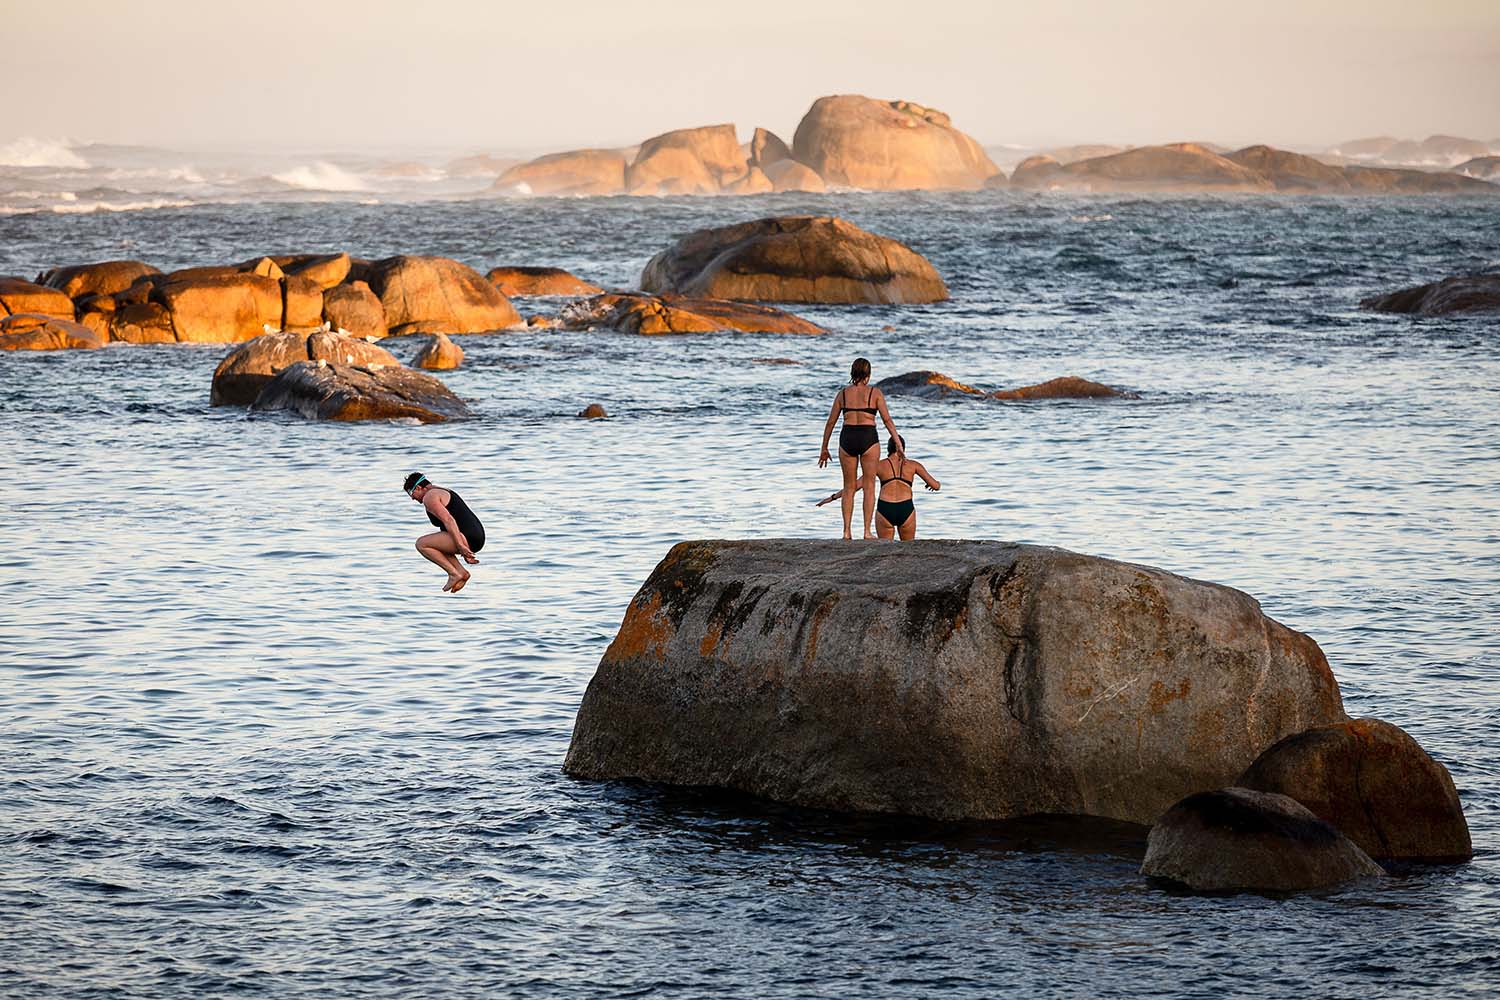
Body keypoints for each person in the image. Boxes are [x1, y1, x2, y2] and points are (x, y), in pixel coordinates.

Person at [818, 357, 901, 539]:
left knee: (848, 487)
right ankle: (866, 531)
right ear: (868, 375)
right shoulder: (875, 393)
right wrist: (898, 443)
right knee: (869, 486)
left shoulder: (842, 394)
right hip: (868, 438)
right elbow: (887, 420)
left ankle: (846, 531)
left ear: (852, 373)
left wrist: (824, 448)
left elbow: (831, 422)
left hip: (847, 438)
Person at [817, 435, 939, 541]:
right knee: (908, 550)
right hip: (906, 509)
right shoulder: (913, 465)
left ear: (888, 448)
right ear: (903, 448)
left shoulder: (878, 465)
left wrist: (833, 497)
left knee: (884, 552)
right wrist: (932, 484)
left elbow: (855, 486)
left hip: (885, 509)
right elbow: (936, 486)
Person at [403, 472, 484, 592]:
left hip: (468, 537)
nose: (412, 498)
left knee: (421, 544)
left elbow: (449, 520)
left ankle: (453, 573)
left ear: (419, 487)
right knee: (435, 544)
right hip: (475, 536)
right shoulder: (441, 490)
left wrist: (461, 546)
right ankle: (461, 572)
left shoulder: (429, 497)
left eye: (411, 493)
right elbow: (449, 525)